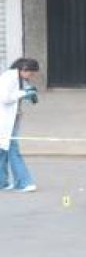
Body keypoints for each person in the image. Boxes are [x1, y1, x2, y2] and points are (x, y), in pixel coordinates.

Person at [0, 58, 40, 192]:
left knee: (4, 150)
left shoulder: (20, 79)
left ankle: (3, 182)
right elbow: (5, 97)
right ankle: (24, 182)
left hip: (13, 118)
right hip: (5, 119)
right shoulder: (9, 77)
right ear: (24, 69)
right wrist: (23, 93)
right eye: (32, 73)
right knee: (12, 149)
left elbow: (16, 96)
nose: (32, 76)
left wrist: (28, 95)